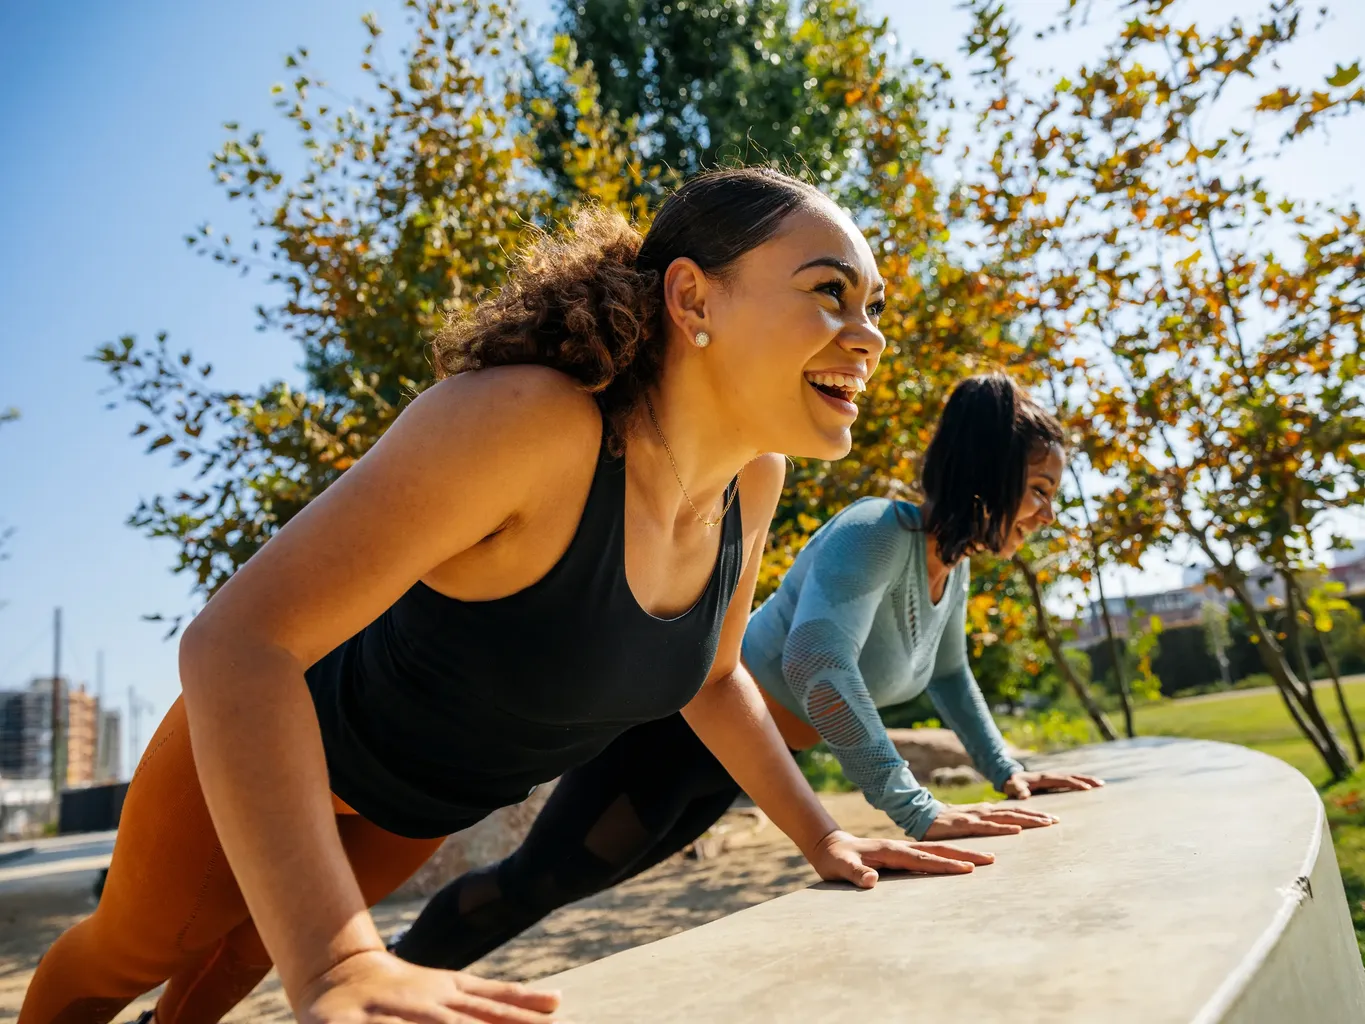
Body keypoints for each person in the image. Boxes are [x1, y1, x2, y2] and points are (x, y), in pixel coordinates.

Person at [21, 168, 994, 1024]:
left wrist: (826, 837)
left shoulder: (753, 480)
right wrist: (337, 955)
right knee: (133, 953)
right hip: (278, 746)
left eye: (875, 307)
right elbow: (236, 644)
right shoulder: (529, 422)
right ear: (693, 298)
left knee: (242, 952)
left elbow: (715, 675)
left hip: (415, 804)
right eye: (831, 294)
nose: (867, 337)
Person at [390, 373, 1104, 972]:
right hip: (675, 737)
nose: (1046, 512)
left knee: (563, 884)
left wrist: (1008, 769)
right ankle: (391, 972)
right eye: (1038, 489)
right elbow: (816, 664)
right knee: (540, 881)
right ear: (989, 471)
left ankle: (404, 982)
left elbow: (950, 676)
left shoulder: (950, 568)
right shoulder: (878, 533)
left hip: (741, 763)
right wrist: (916, 810)